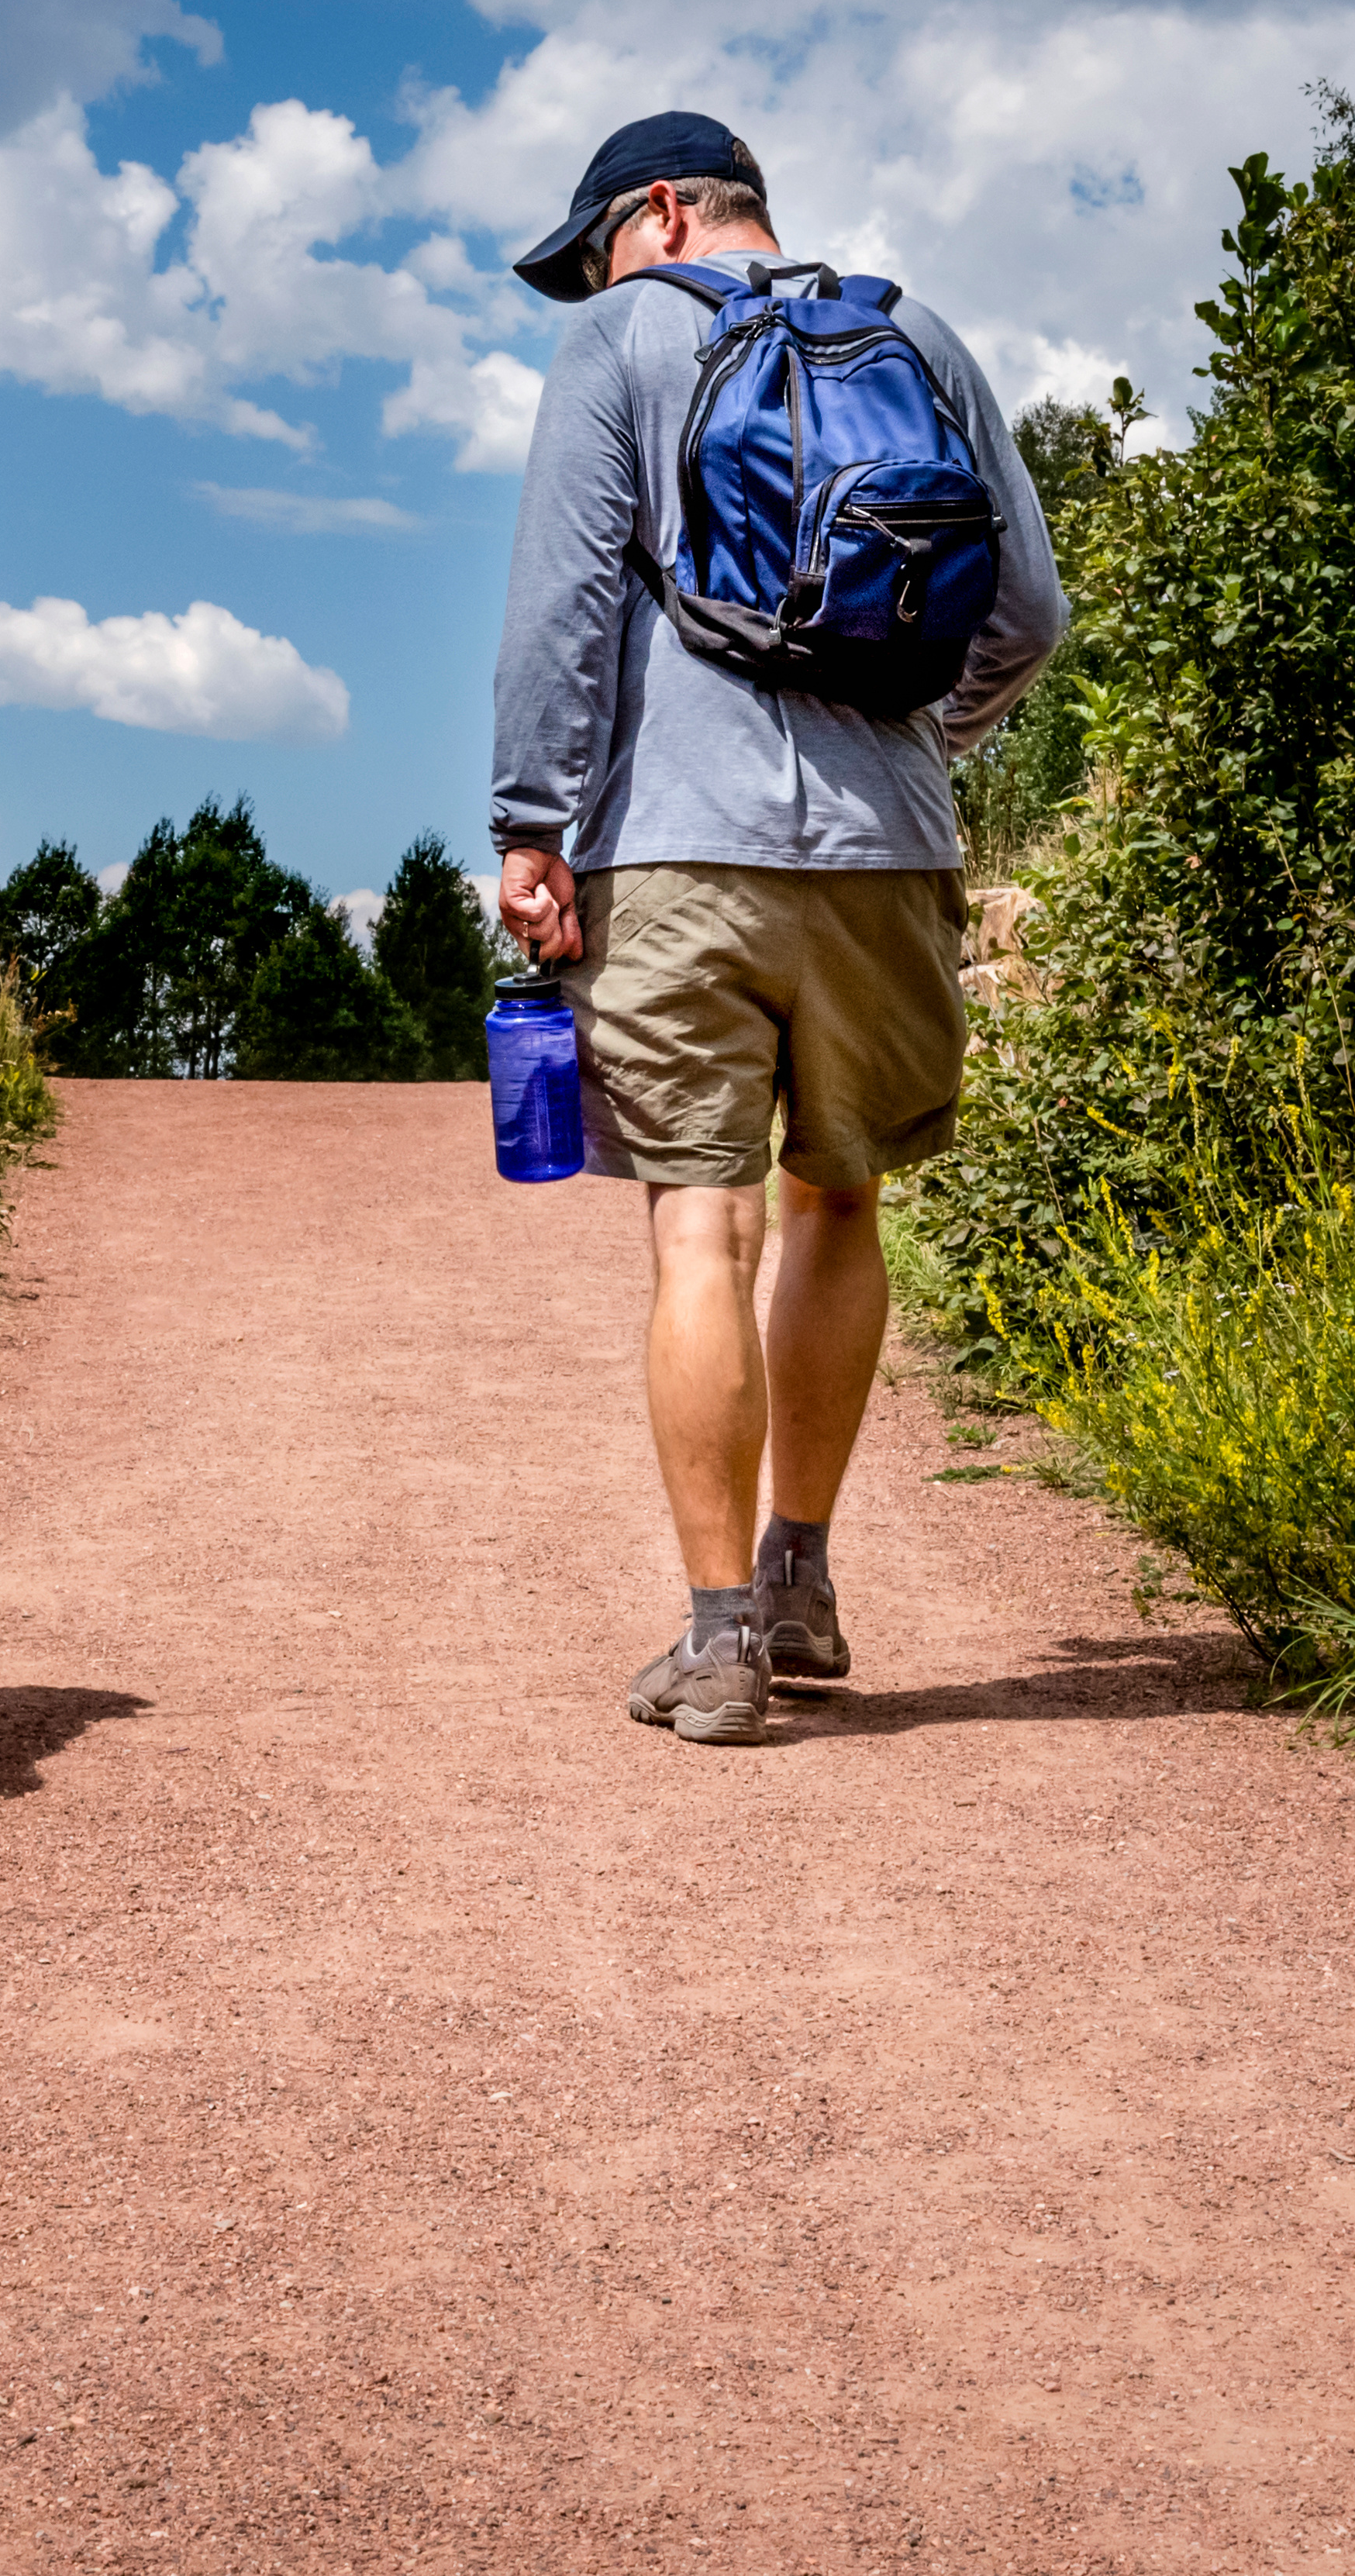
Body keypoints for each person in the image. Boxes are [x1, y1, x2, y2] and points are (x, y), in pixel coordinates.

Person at [487, 110, 1068, 1746]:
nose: (591, 280)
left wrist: (531, 829)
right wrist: (911, 752)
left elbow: (563, 609)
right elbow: (1027, 614)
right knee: (841, 1201)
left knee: (697, 1228)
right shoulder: (917, 331)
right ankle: (804, 1575)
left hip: (677, 849)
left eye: (597, 244)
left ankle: (722, 1640)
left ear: (662, 213)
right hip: (888, 853)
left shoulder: (622, 342)